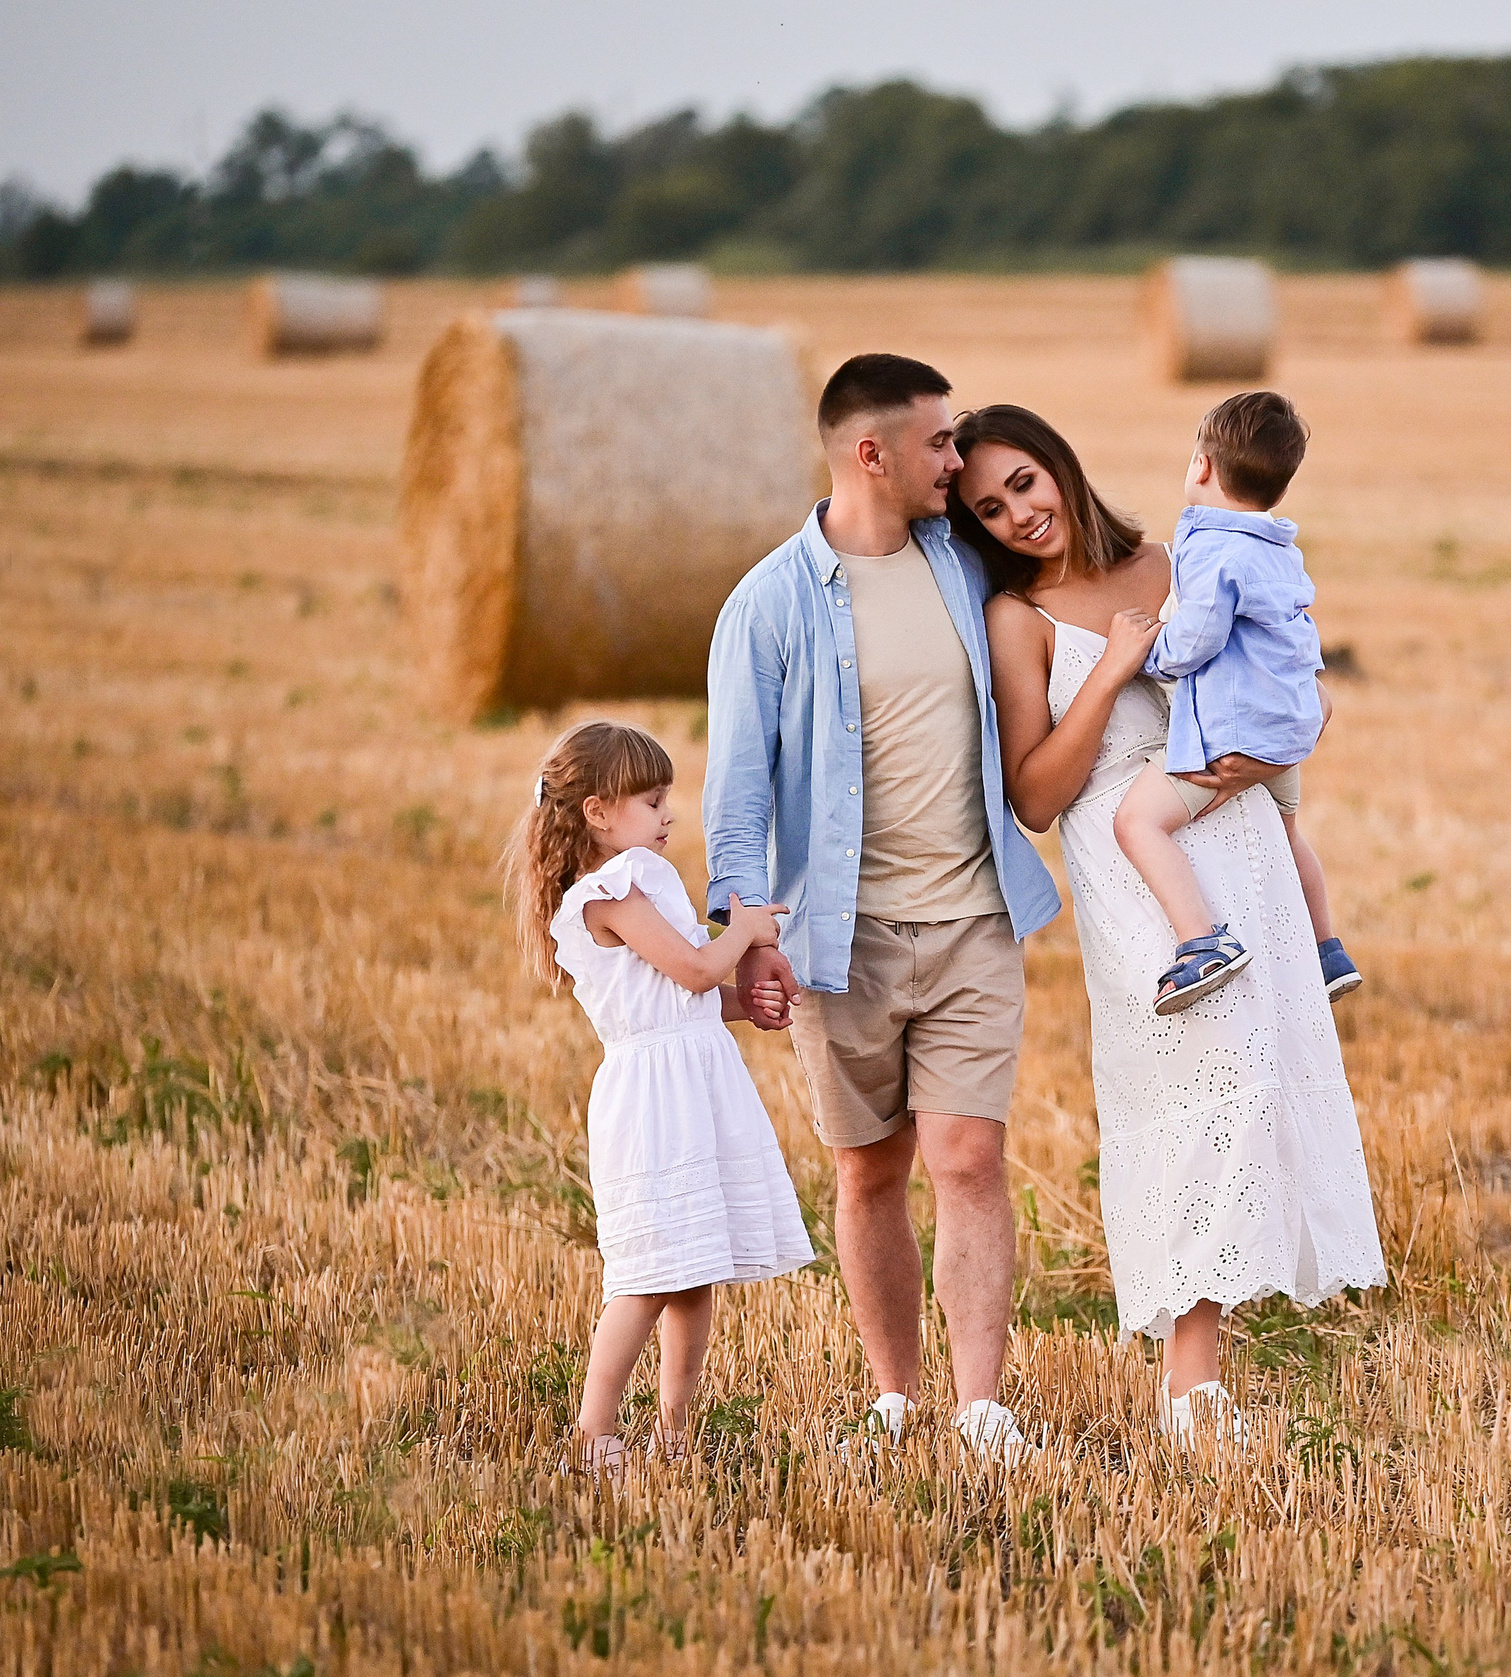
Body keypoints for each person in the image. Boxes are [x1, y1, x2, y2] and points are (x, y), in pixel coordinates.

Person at [955, 403, 1388, 1448]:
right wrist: (1107, 670)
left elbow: (1279, 665)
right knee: (1193, 1097)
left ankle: (1204, 1377)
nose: (1017, 513)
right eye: (988, 508)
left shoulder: (1171, 559)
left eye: (1024, 482)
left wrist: (1274, 749)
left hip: (1231, 838)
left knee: (1253, 1087)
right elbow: (1035, 796)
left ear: (1060, 466)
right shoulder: (1016, 619)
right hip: (1131, 873)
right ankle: (1190, 1391)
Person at [705, 354, 1062, 1465]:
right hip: (837, 939)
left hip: (972, 922)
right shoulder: (766, 604)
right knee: (870, 1170)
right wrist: (743, 936)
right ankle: (896, 1396)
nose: (959, 463)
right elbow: (736, 799)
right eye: (941, 445)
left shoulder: (969, 565)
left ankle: (980, 1407)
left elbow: (1083, 573)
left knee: (968, 1159)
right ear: (874, 454)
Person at [500, 719, 811, 1477]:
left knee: (696, 1269)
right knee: (646, 1279)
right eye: (651, 800)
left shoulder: (641, 882)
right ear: (600, 813)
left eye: (667, 798)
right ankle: (595, 1429)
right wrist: (744, 931)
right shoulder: (608, 894)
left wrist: (749, 1006)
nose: (669, 814)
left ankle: (678, 1435)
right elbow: (699, 971)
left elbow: (687, 995)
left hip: (692, 1084)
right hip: (652, 1102)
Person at [1112, 390, 1361, 1014]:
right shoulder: (1279, 546)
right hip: (1288, 730)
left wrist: (1145, 655)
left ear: (1201, 465)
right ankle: (1326, 948)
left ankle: (1202, 942)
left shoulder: (1207, 546)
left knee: (1138, 822)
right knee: (1289, 832)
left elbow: (1196, 638)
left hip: (1235, 737)